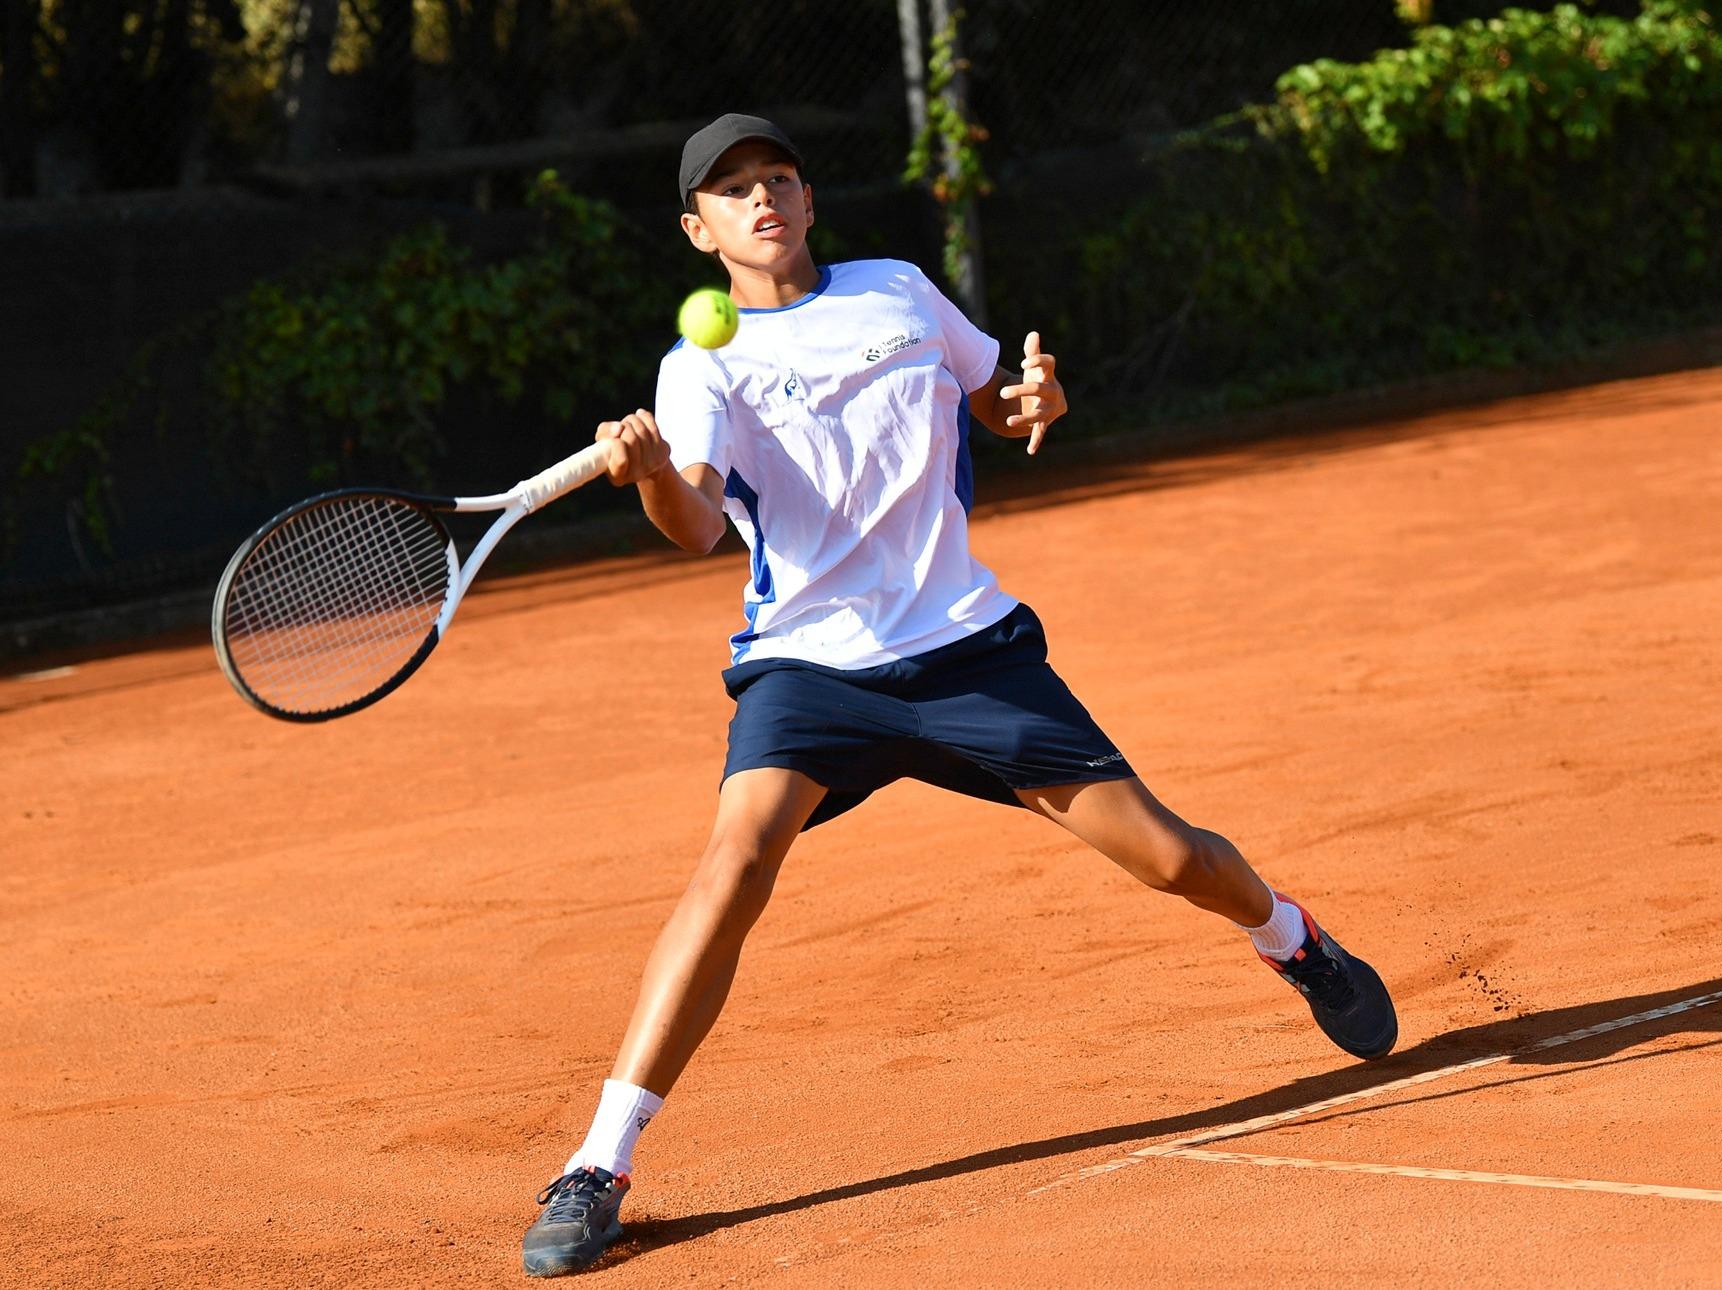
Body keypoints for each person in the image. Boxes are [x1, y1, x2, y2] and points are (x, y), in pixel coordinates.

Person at [518, 113, 1398, 1277]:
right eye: (731, 191)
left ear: (809, 196)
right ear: (697, 232)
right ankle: (598, 1164)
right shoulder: (701, 368)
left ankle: (1291, 940)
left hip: (967, 651)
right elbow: (689, 521)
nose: (761, 198)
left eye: (776, 176)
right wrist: (642, 477)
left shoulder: (899, 291)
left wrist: (1034, 402)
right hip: (810, 668)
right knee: (731, 867)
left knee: (1173, 859)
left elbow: (992, 396)